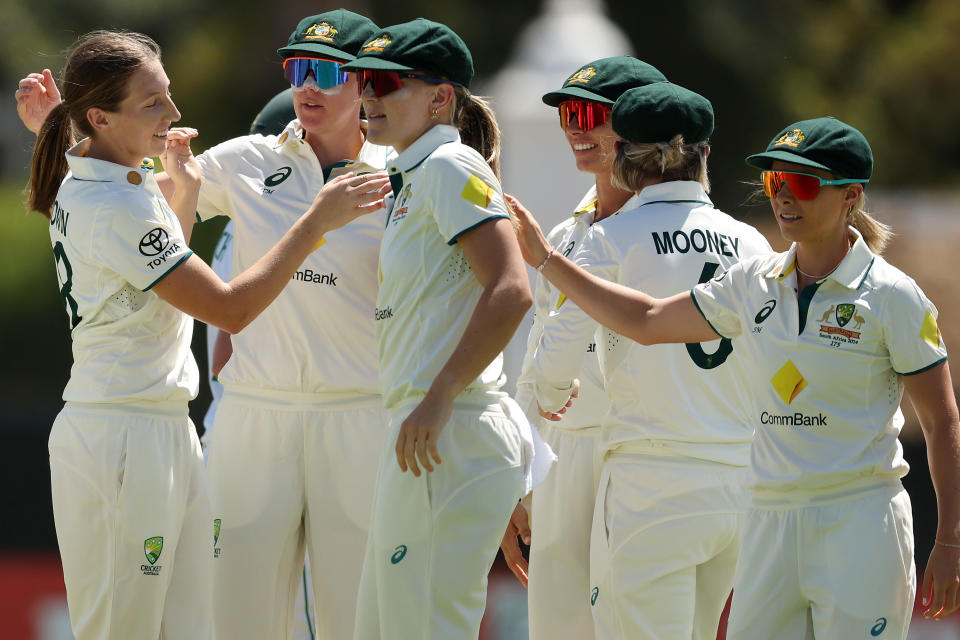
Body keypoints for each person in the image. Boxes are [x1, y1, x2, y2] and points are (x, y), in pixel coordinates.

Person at [510, 112, 960, 638]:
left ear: (851, 196)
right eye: (775, 181)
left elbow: (941, 420)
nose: (785, 197)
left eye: (803, 183)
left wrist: (950, 540)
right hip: (766, 517)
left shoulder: (894, 295)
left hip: (859, 518)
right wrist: (546, 260)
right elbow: (649, 320)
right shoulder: (753, 278)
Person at [25, 29, 387, 640]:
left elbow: (135, 209)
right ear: (99, 119)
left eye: (166, 95)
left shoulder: (106, 181)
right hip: (120, 433)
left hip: (161, 426)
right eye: (151, 104)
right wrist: (316, 221)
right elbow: (229, 310)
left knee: (193, 626)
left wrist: (176, 185)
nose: (173, 115)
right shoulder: (116, 204)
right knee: (122, 629)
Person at [509, 80, 771, 639]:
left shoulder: (610, 237)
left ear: (624, 156)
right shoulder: (753, 244)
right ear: (705, 154)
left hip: (650, 482)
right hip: (736, 481)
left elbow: (555, 359)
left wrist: (552, 399)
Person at [340, 18, 548, 639]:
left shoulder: (449, 165)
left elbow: (512, 289)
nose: (367, 96)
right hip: (429, 428)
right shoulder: (414, 175)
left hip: (448, 427)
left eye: (384, 82)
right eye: (361, 82)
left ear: (439, 98)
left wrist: (439, 396)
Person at [498, 56, 668, 640]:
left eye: (595, 115)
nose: (577, 127)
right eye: (570, 112)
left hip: (648, 456)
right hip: (565, 459)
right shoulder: (566, 235)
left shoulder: (674, 234)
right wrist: (515, 480)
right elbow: (534, 364)